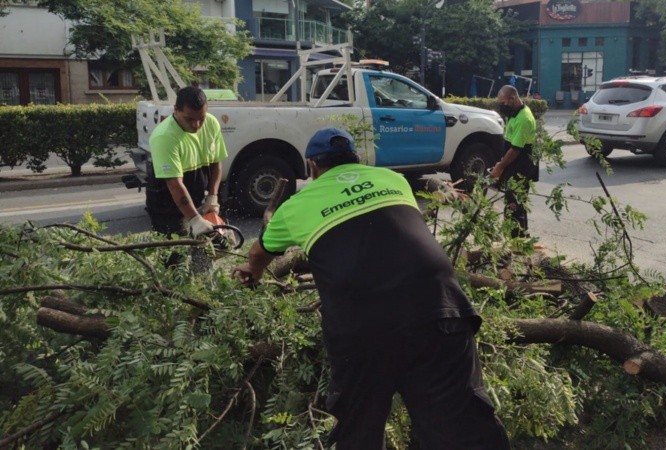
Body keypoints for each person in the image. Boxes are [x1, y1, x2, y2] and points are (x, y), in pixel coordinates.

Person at [231, 127, 510, 450]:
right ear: (357, 160)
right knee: (461, 429)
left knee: (359, 431)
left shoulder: (294, 207)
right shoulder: (393, 180)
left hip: (362, 328)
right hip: (439, 309)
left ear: (312, 167)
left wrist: (253, 272)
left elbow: (258, 253)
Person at [145, 85, 228, 242]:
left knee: (209, 249)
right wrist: (195, 220)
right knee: (176, 258)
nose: (196, 125)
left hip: (197, 200)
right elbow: (174, 185)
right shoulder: (165, 137)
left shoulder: (211, 124)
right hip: (167, 206)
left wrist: (212, 196)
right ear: (175, 110)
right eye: (189, 119)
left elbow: (216, 163)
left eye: (201, 118)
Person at [490, 84, 539, 238]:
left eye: (503, 102)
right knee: (512, 201)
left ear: (513, 98)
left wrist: (500, 167)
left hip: (522, 164)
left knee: (515, 203)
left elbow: (516, 149)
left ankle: (516, 240)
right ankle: (518, 237)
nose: (502, 106)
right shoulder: (514, 113)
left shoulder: (524, 118)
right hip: (514, 162)